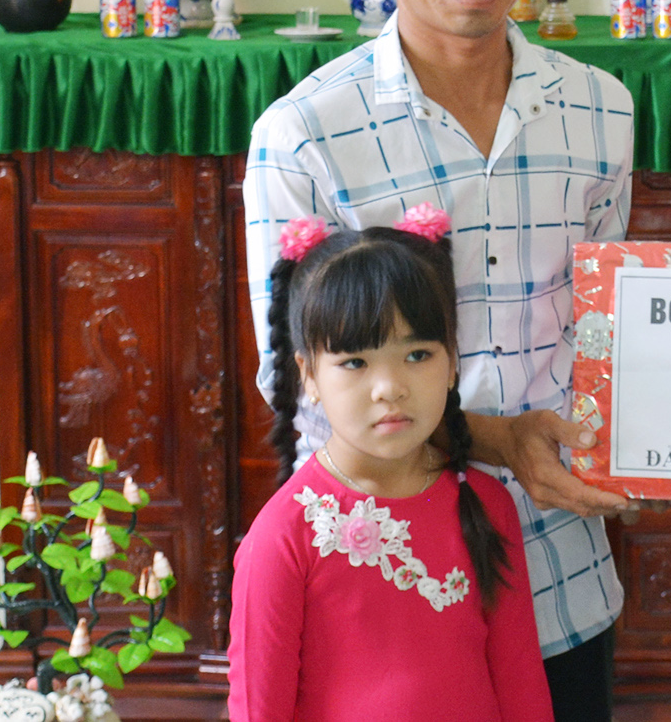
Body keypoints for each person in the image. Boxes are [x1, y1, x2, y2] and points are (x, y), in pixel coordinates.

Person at [243, 0, 634, 722]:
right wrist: (495, 438)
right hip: (387, 602)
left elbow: (606, 329)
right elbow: (292, 379)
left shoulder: (602, 109)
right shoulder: (304, 135)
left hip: (562, 566)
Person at [228, 209, 553, 722]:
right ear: (308, 375)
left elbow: (522, 689)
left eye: (418, 355)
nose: (389, 388)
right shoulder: (283, 537)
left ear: (452, 361)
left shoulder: (488, 505)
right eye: (355, 362)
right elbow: (259, 710)